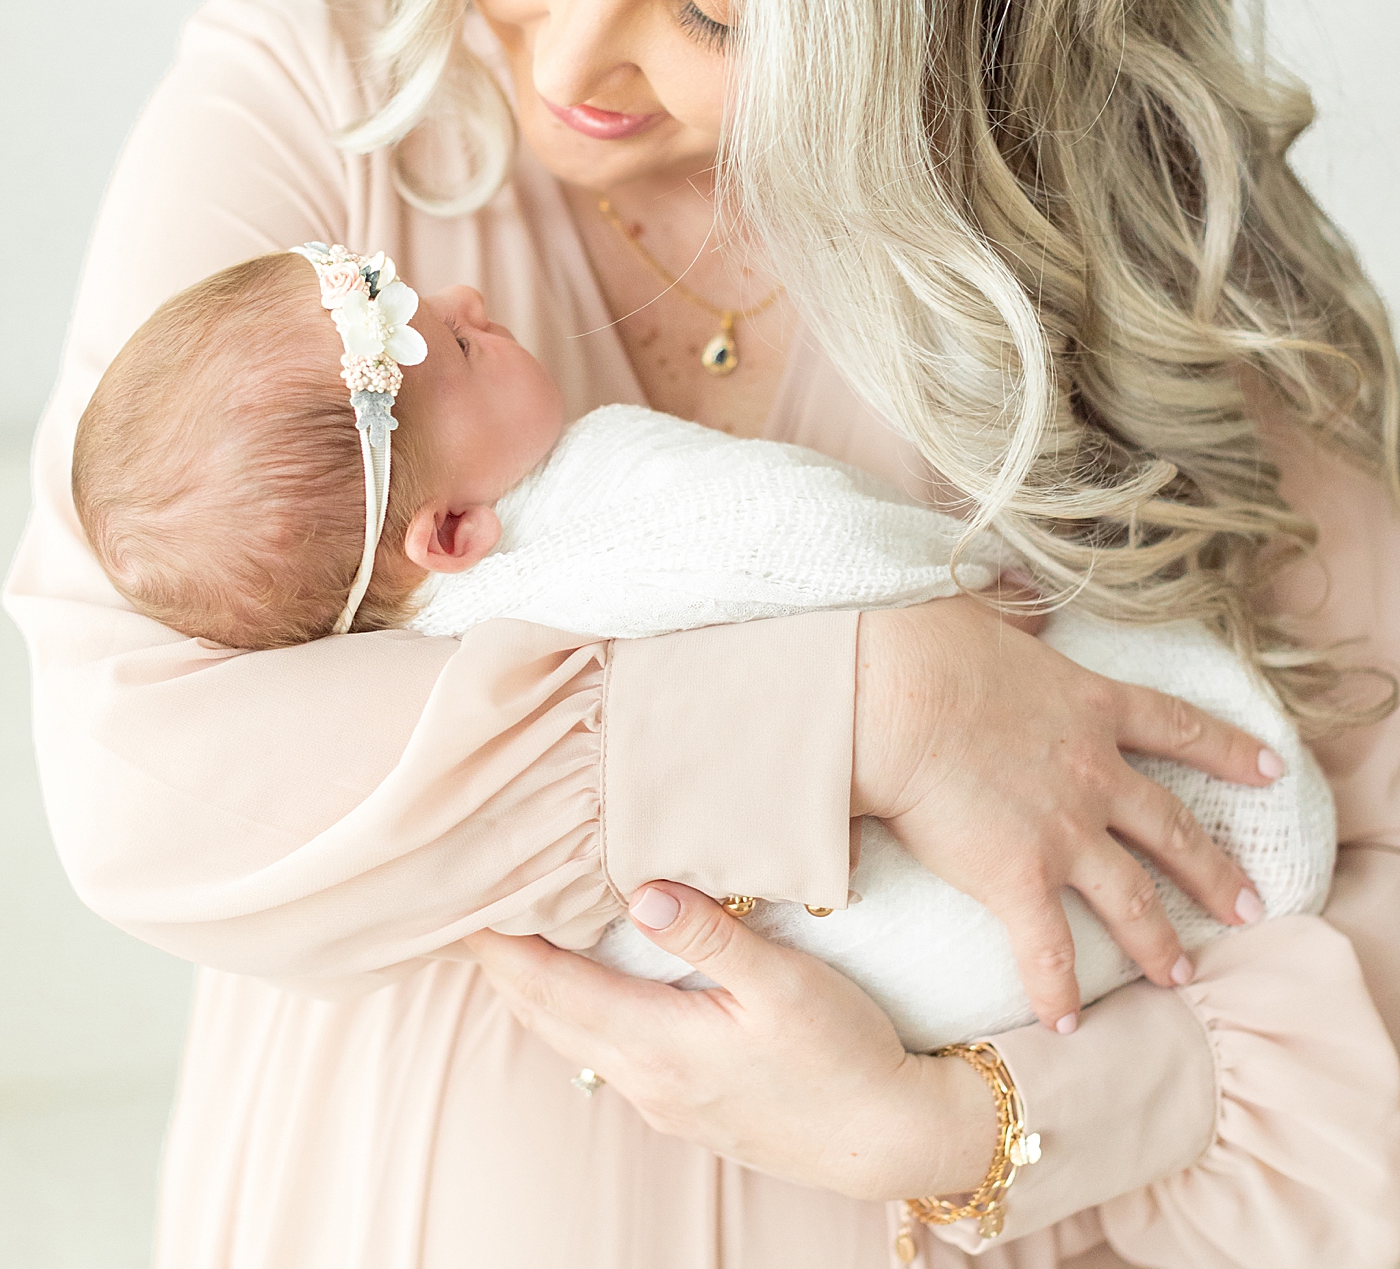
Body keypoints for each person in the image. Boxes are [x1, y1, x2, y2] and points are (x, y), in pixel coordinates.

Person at [8, 0, 1400, 1269]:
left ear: (969, 8)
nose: (567, 55)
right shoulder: (319, 124)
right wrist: (870, 702)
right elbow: (144, 780)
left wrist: (962, 1122)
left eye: (722, 10)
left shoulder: (1172, 289)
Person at [67, 243, 1335, 1057]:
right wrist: (954, 589)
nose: (466, 295)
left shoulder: (436, 659)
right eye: (453, 346)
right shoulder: (601, 483)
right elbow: (790, 533)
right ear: (448, 529)